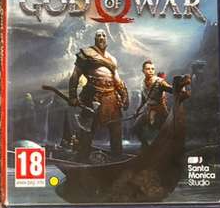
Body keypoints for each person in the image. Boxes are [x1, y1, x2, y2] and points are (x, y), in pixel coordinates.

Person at [68, 29, 129, 159]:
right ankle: (82, 158)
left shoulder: (112, 59)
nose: (101, 37)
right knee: (87, 129)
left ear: (106, 39)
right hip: (93, 95)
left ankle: (117, 158)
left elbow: (117, 79)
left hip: (111, 97)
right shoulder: (86, 54)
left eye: (103, 35)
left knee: (116, 129)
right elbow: (75, 76)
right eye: (98, 35)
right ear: (95, 39)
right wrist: (72, 96)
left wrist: (124, 96)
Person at [134, 60, 173, 147]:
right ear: (143, 70)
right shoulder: (142, 83)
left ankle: (165, 147)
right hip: (148, 110)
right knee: (136, 127)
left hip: (160, 110)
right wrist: (137, 110)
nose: (151, 71)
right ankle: (145, 146)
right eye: (148, 69)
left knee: (164, 129)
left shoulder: (160, 82)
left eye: (152, 69)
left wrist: (178, 88)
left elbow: (171, 90)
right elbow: (144, 99)